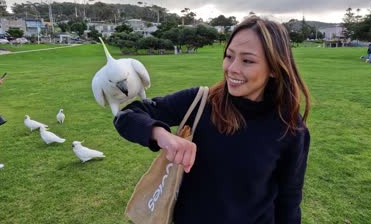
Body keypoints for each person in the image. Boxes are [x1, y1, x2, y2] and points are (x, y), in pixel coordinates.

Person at [115, 16, 311, 223]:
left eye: (247, 60)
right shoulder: (200, 102)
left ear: (273, 68)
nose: (232, 68)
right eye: (229, 56)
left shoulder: (290, 127)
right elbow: (127, 116)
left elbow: (289, 201)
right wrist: (161, 135)